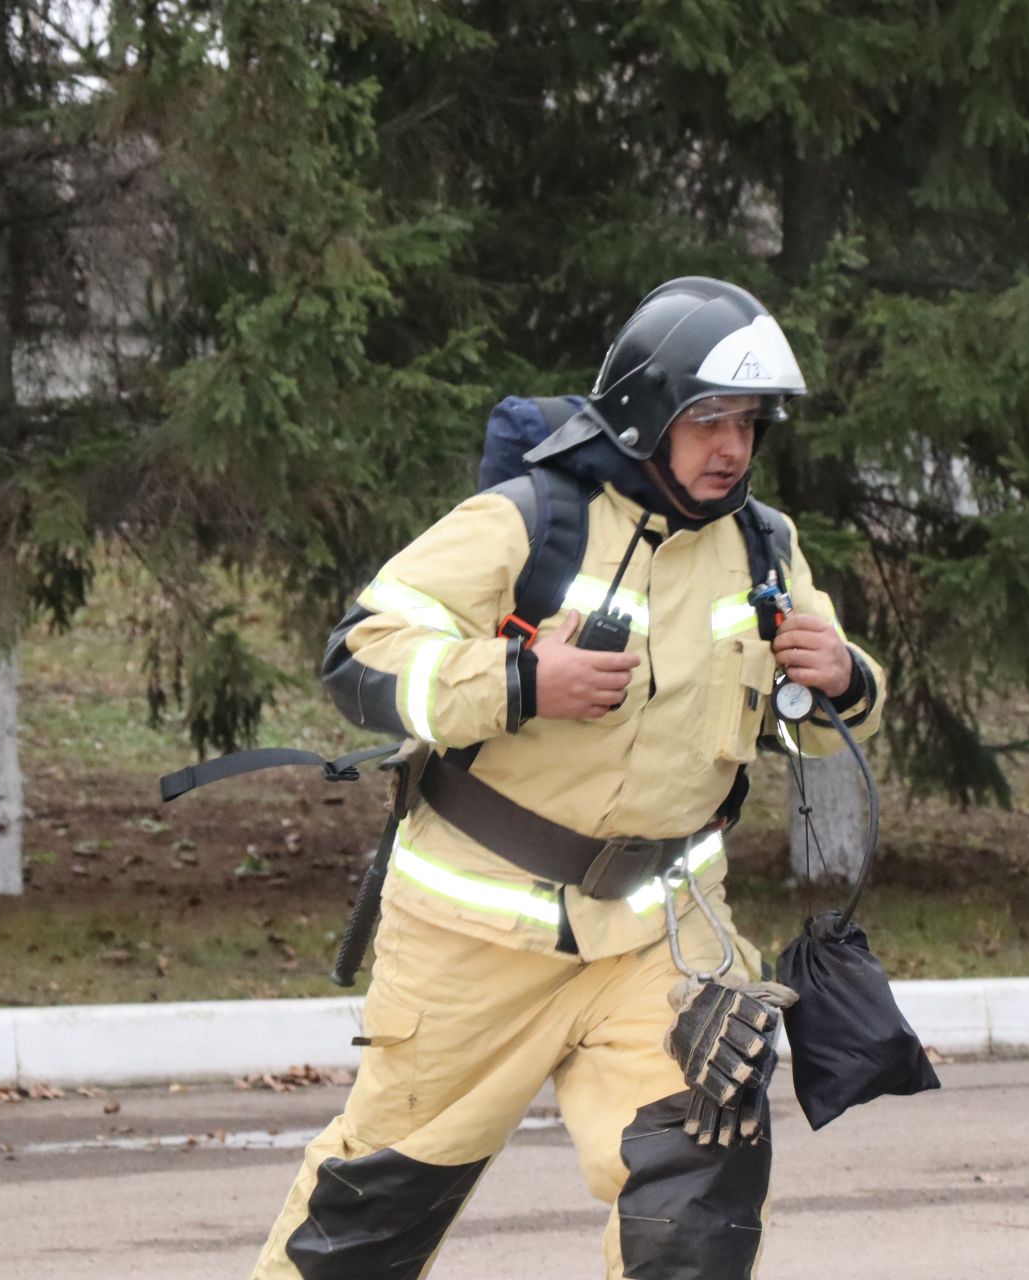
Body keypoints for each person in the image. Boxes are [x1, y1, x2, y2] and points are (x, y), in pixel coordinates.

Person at [249, 277, 887, 1280]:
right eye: (707, 419)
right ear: (647, 412)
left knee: (697, 1195)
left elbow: (820, 712)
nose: (732, 448)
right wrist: (517, 679)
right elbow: (362, 654)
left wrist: (846, 679)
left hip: (663, 938)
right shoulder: (526, 519)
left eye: (749, 423)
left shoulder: (765, 546)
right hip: (474, 943)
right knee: (370, 1217)